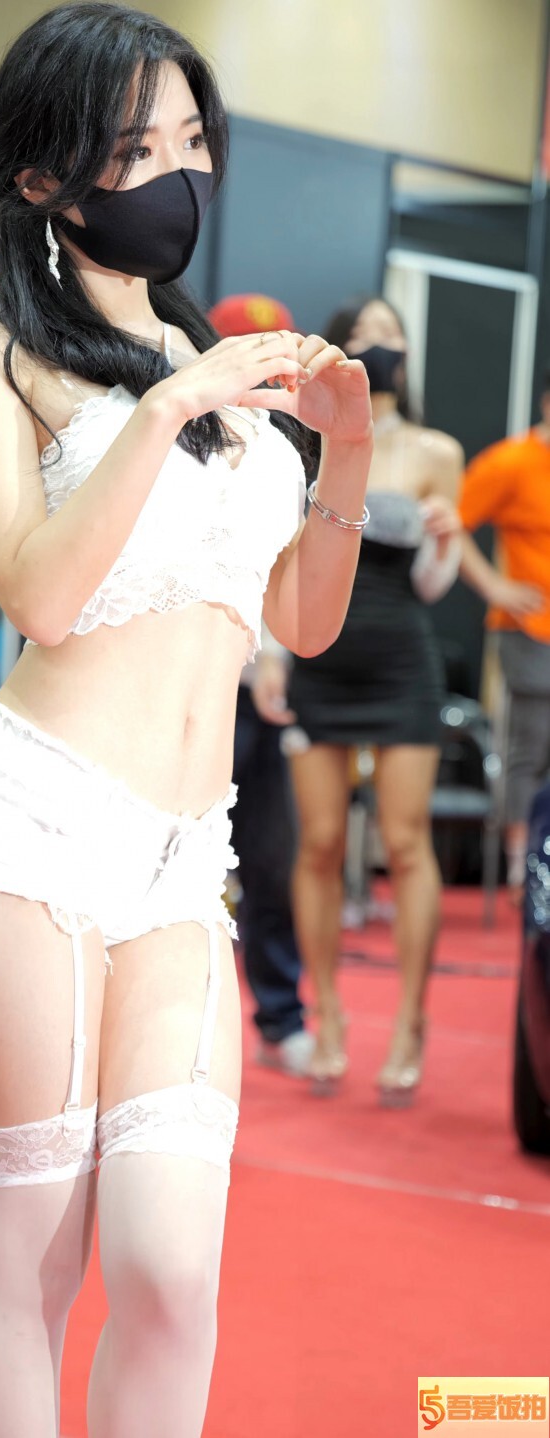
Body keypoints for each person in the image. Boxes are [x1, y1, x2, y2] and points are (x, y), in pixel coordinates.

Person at [0, 8, 372, 1436]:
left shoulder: (208, 364)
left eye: (188, 143)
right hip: (23, 836)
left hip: (179, 863)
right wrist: (170, 403)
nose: (175, 175)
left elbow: (299, 621)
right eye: (135, 149)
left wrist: (342, 450)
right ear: (44, 173)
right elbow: (40, 593)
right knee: (32, 1263)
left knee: (172, 1275)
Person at [287, 296, 463, 1107]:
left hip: (400, 657)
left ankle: (409, 1025)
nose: (381, 346)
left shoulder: (435, 450)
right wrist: (269, 659)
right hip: (316, 654)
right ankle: (326, 1016)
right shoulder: (303, 435)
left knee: (405, 840)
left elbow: (433, 585)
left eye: (392, 336)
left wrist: (446, 544)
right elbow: (279, 554)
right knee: (320, 842)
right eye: (365, 335)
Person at [207, 292, 315, 1077]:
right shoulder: (175, 429)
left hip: (257, 695)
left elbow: (289, 570)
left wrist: (273, 657)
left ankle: (280, 1012)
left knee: (271, 860)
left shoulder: (288, 450)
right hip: (180, 688)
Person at [457, 373, 550, 899]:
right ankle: (522, 867)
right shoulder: (511, 462)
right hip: (530, 629)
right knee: (530, 745)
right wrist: (495, 586)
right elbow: (451, 520)